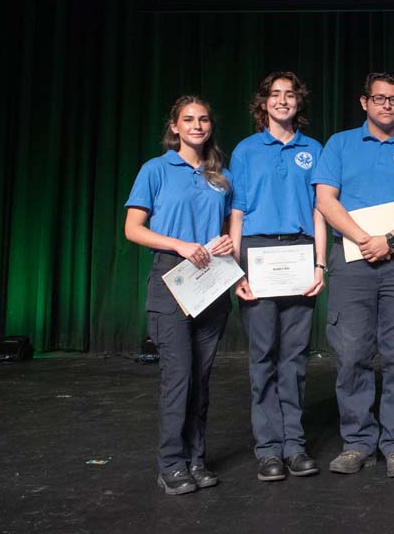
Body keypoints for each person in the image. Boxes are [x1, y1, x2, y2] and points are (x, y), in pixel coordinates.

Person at [312, 72, 394, 478]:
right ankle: (357, 442)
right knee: (352, 353)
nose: (387, 105)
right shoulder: (340, 144)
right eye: (379, 98)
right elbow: (325, 200)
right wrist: (363, 239)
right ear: (364, 102)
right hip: (351, 260)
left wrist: (390, 239)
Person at [124, 96, 235, 496]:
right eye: (188, 119)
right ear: (174, 127)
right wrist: (179, 244)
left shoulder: (221, 175)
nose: (197, 125)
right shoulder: (155, 170)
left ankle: (195, 459)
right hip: (172, 276)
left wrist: (226, 243)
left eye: (203, 119)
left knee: (201, 379)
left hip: (212, 280)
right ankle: (171, 464)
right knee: (179, 376)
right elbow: (133, 228)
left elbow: (228, 227)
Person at [228, 72, 326, 482]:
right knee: (263, 355)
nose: (283, 100)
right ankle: (268, 448)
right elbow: (236, 214)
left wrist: (321, 264)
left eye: (290, 95)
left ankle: (294, 445)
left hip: (301, 253)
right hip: (258, 255)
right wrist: (235, 270)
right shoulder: (246, 150)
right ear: (263, 102)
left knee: (295, 358)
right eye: (275, 94)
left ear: (298, 102)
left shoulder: (314, 149)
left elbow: (321, 211)